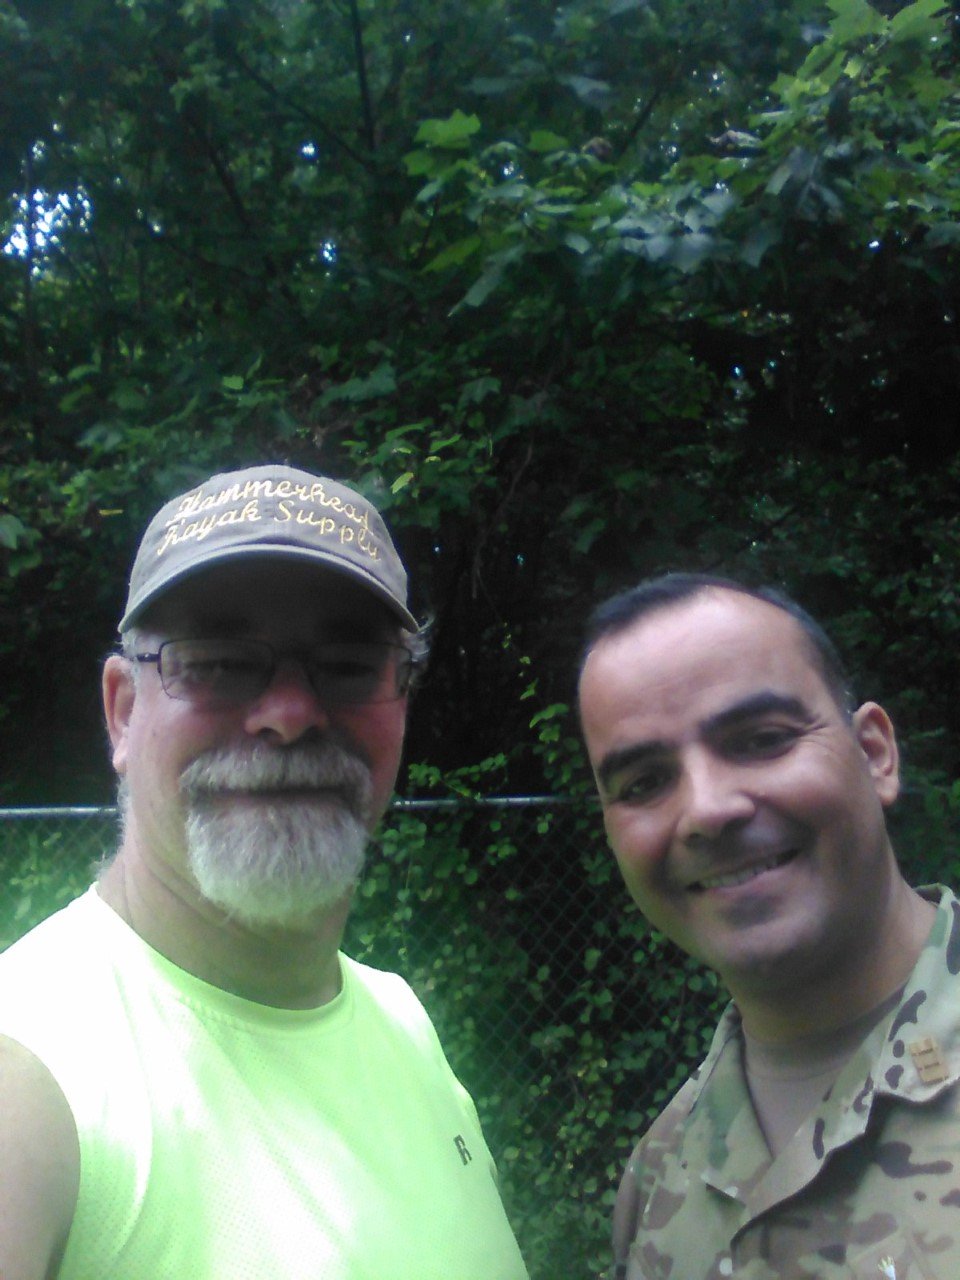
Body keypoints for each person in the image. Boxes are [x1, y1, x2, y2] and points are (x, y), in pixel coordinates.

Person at [0, 463, 529, 1280]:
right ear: (123, 710)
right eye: (215, 661)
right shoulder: (32, 1074)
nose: (288, 713)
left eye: (349, 663)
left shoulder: (401, 1021)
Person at [577, 571, 960, 1280]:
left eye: (761, 740)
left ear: (875, 753)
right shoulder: (661, 1174)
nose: (707, 809)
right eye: (643, 784)